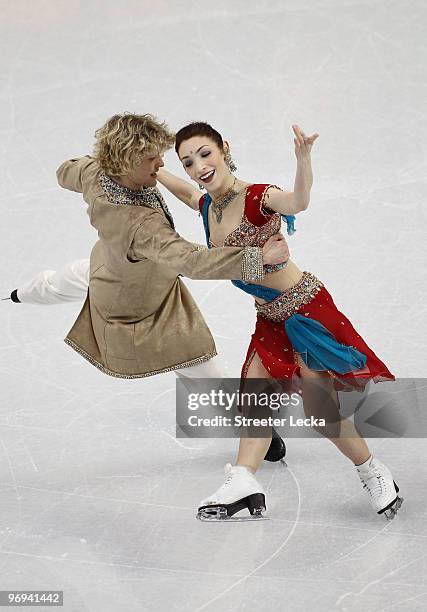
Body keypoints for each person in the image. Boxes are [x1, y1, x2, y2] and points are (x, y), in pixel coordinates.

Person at [2, 112, 290, 461]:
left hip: (105, 269)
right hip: (142, 301)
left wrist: (94, 160)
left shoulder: (96, 171)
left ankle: (18, 294)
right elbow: (191, 260)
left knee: (57, 282)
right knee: (204, 367)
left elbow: (66, 171)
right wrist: (256, 259)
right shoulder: (141, 226)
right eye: (151, 158)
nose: (161, 162)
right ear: (126, 162)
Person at [154, 120, 403, 522]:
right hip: (269, 316)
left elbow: (298, 202)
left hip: (306, 311)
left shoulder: (257, 197)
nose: (198, 167)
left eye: (204, 153)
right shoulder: (207, 205)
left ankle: (374, 472)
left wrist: (303, 160)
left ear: (224, 148)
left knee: (320, 410)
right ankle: (243, 480)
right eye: (187, 162)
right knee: (254, 401)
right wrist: (154, 169)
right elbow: (187, 195)